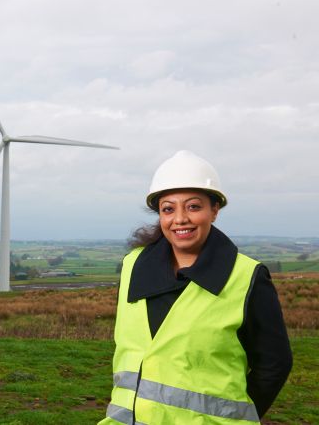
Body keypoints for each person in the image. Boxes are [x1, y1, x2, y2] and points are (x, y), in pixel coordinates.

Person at [99, 150, 292, 425]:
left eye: (193, 206)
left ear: (214, 210)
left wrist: (236, 417)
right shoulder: (132, 266)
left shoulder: (247, 277)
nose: (180, 219)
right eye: (168, 209)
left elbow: (274, 364)